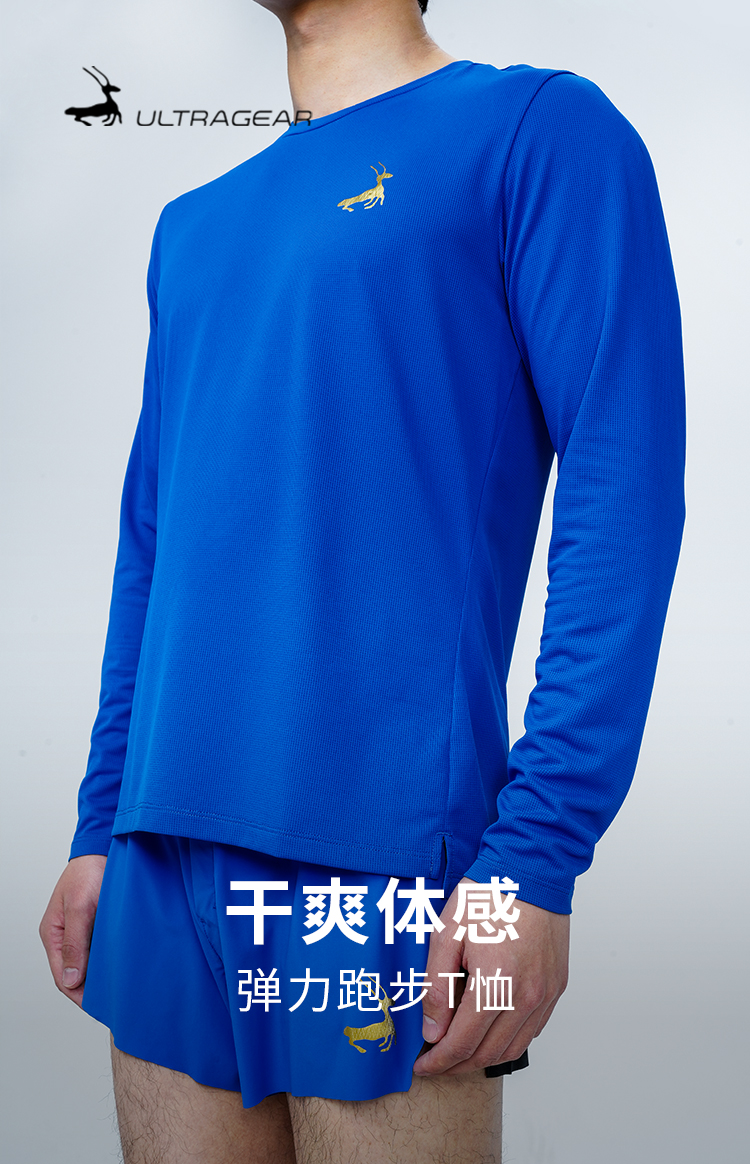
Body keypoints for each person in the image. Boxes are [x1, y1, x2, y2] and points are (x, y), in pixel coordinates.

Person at [39, 0, 686, 1160]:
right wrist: (99, 825)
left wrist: (534, 857)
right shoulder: (191, 225)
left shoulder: (536, 129)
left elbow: (622, 493)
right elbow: (154, 546)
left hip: (380, 850)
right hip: (157, 855)